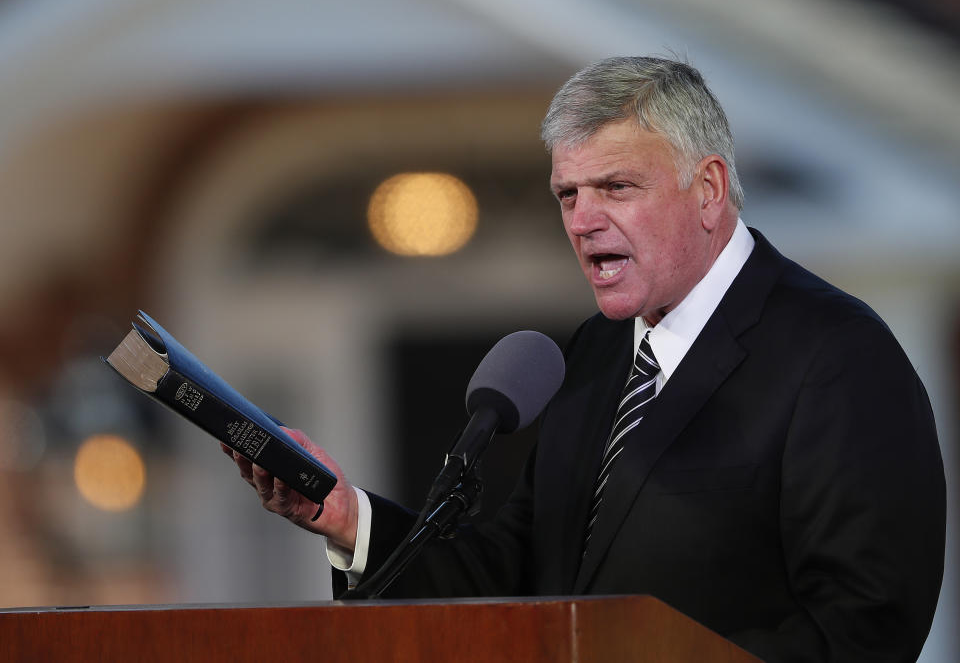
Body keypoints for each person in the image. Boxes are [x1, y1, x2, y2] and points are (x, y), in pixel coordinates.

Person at [225, 57, 946, 662]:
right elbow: (519, 578)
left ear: (709, 189)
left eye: (616, 187)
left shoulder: (836, 355)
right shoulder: (596, 354)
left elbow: (865, 625)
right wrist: (350, 519)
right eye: (567, 193)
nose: (582, 219)